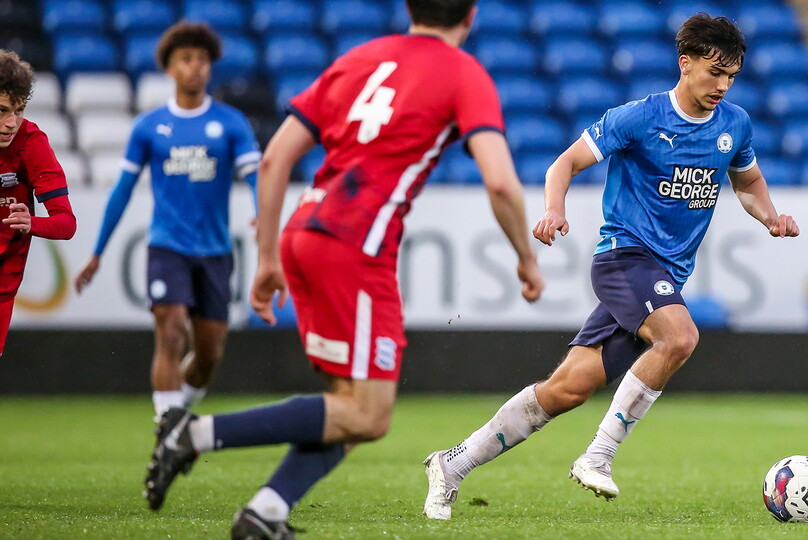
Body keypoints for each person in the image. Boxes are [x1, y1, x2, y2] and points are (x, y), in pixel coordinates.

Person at [142, 1, 544, 538]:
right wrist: (524, 255)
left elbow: (275, 159)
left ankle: (266, 512)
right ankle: (190, 435)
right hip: (355, 246)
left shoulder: (359, 58)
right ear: (470, 16)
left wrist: (266, 257)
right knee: (368, 415)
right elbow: (499, 181)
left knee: (346, 411)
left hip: (304, 231)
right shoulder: (464, 73)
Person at [421, 12, 801, 520]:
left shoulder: (735, 125)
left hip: (664, 276)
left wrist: (770, 217)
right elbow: (564, 163)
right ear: (685, 64)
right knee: (680, 337)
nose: (723, 86)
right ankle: (598, 455)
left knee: (567, 389)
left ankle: (452, 465)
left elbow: (748, 185)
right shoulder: (639, 117)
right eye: (715, 72)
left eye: (731, 76)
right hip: (625, 258)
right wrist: (555, 209)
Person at [73, 22, 260, 418]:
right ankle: (167, 429)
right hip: (167, 246)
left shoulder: (230, 123)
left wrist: (264, 216)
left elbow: (258, 177)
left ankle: (180, 418)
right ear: (169, 68)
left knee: (208, 354)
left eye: (203, 59)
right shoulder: (149, 128)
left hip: (215, 251)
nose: (196, 67)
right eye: (186, 59)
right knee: (170, 331)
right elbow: (122, 190)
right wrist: (97, 252)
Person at [0, 50, 77, 356]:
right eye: (2, 110)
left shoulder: (32, 143)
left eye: (18, 111)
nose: (11, 123)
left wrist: (33, 223)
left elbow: (66, 223)